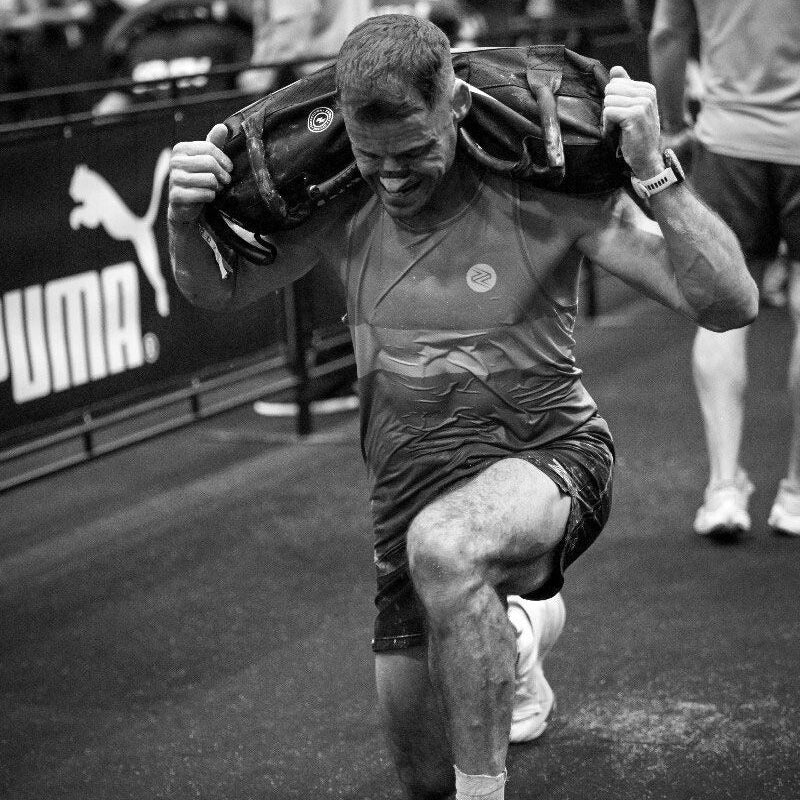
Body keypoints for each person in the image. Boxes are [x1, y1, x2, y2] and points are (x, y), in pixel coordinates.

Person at [168, 14, 757, 799]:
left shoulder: (546, 197)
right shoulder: (341, 207)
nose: (394, 177)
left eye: (414, 152)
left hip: (553, 457)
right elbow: (219, 287)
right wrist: (183, 218)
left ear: (456, 104)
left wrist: (657, 171)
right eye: (373, 157)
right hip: (405, 494)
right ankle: (516, 634)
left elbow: (730, 304)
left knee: (448, 549)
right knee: (420, 777)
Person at [649, 0, 800, 538]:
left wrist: (671, 125)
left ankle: (724, 492)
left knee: (720, 314)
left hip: (728, 143)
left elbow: (667, 36)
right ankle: (796, 496)